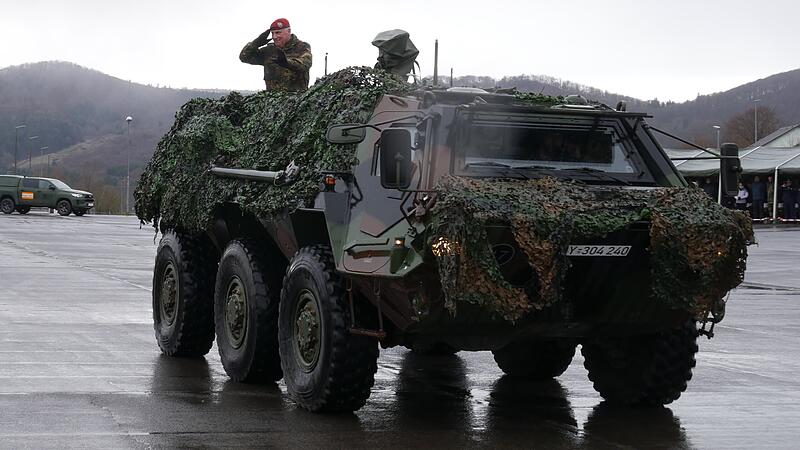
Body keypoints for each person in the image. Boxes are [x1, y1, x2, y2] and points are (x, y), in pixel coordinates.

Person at [239, 18, 312, 92]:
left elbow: (305, 63)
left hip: (296, 99)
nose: (274, 37)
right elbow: (244, 57)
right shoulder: (269, 50)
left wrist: (287, 63)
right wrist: (256, 43)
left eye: (278, 32)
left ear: (289, 31)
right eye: (272, 33)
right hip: (272, 100)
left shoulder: (302, 47)